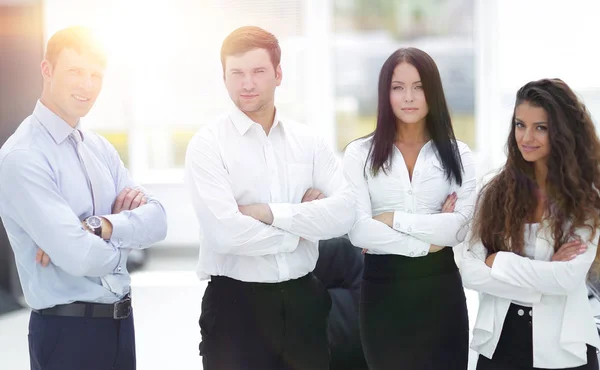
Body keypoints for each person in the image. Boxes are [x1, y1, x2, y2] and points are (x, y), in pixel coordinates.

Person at [184, 26, 355, 370]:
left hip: (303, 301)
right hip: (235, 308)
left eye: (258, 72)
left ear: (278, 74)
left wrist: (268, 213)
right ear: (224, 77)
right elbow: (225, 234)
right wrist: (302, 226)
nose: (247, 83)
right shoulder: (208, 145)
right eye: (237, 73)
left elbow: (347, 211)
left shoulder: (309, 142)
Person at [0, 26, 168, 370]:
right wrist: (124, 236)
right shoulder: (24, 156)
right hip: (67, 335)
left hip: (121, 326)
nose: (87, 85)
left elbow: (159, 221)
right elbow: (79, 258)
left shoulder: (98, 148)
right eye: (75, 71)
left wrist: (97, 226)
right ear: (47, 70)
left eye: (96, 75)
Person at [343, 47, 476, 369]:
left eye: (419, 87)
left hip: (441, 290)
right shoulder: (359, 154)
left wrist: (391, 219)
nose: (409, 97)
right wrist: (431, 238)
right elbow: (359, 231)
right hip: (383, 293)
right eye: (398, 87)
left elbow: (460, 228)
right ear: (385, 93)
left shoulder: (459, 154)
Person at [458, 78, 600, 369]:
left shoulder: (586, 200)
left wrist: (498, 261)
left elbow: (566, 280)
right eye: (520, 124)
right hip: (500, 345)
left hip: (566, 349)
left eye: (541, 128)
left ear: (562, 133)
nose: (526, 137)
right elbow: (469, 272)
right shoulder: (495, 192)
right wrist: (546, 276)